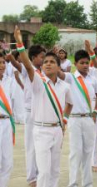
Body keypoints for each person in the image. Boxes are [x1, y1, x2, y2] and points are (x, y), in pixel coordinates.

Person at [14, 26, 73, 187]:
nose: (48, 64)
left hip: (57, 130)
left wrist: (65, 121)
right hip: (40, 131)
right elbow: (27, 66)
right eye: (45, 61)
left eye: (52, 62)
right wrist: (20, 44)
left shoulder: (64, 86)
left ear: (59, 67)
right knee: (44, 172)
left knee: (54, 171)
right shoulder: (39, 82)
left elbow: (70, 103)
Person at [58, 41, 97, 187]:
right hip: (75, 119)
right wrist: (55, 56)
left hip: (89, 119)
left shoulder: (92, 79)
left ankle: (87, 183)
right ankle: (73, 183)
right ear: (75, 63)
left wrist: (95, 112)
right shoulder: (70, 78)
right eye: (82, 63)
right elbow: (58, 73)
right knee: (75, 153)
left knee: (88, 152)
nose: (85, 65)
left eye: (87, 63)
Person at [9, 44, 46, 186]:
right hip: (31, 112)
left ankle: (41, 174)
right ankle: (32, 178)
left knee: (42, 146)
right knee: (31, 146)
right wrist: (15, 50)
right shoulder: (27, 69)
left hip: (42, 112)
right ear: (33, 58)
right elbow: (16, 64)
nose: (44, 60)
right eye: (42, 57)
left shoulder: (44, 72)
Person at [0, 52, 14, 187]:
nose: (1, 65)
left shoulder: (9, 81)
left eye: (3, 62)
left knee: (7, 162)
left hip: (7, 123)